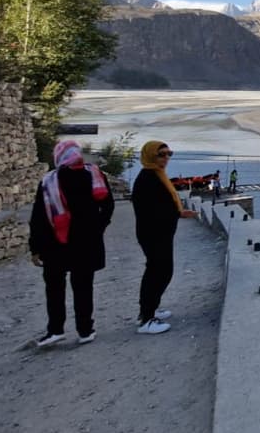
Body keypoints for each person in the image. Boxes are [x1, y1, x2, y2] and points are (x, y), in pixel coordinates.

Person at [29, 140, 114, 347]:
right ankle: (85, 330)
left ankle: (55, 330)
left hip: (55, 242)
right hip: (87, 243)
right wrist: (98, 228)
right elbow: (108, 205)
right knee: (84, 287)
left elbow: (39, 217)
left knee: (55, 287)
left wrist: (35, 248)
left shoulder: (50, 181)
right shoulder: (95, 175)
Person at [132, 141, 198, 334]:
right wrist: (173, 213)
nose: (166, 158)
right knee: (159, 272)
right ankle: (146, 319)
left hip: (159, 232)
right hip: (153, 233)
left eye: (169, 154)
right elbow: (151, 210)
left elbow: (163, 205)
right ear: (151, 155)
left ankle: (150, 309)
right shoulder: (148, 178)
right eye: (161, 154)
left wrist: (179, 213)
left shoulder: (156, 175)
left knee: (158, 271)